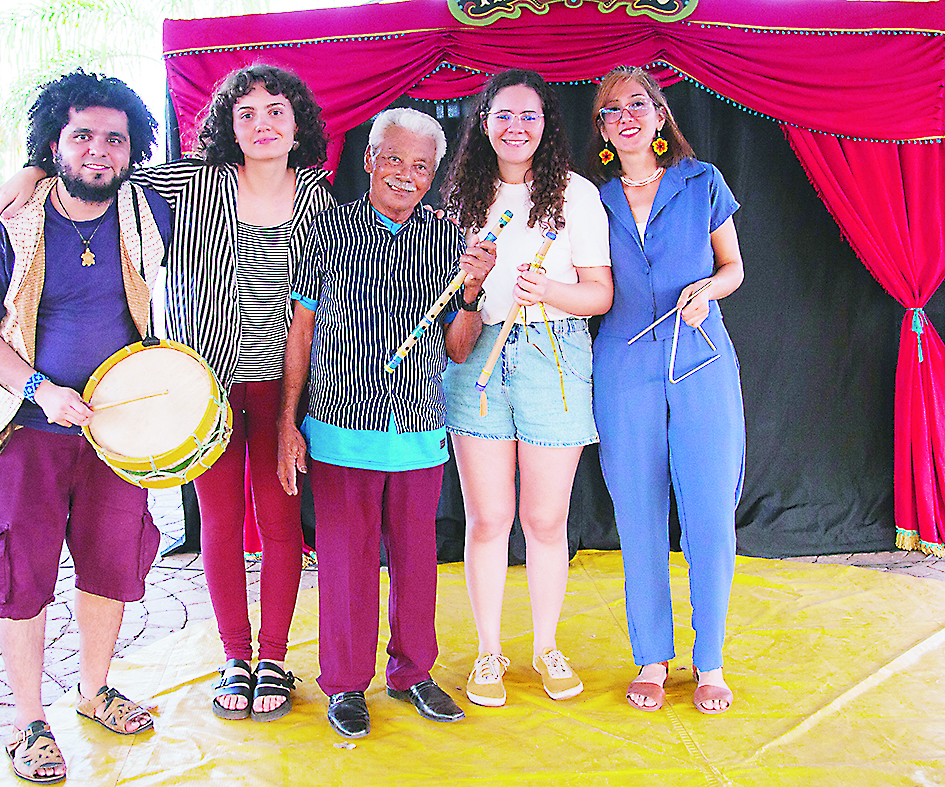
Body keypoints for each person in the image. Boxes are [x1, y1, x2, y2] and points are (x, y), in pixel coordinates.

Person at [0, 64, 334, 722]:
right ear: (227, 123)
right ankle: (234, 654)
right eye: (246, 112)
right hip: (200, 387)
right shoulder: (187, 181)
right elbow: (91, 173)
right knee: (222, 527)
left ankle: (273, 657)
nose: (261, 124)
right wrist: (27, 172)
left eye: (275, 111)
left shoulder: (318, 195)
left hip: (286, 384)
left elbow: (317, 302)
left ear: (297, 122)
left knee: (282, 526)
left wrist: (295, 408)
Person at [0, 70, 173, 783]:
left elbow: (214, 166)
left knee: (111, 562)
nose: (99, 151)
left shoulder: (146, 208)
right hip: (24, 430)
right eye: (82, 136)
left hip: (115, 431)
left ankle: (92, 688)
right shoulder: (6, 221)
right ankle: (27, 721)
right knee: (20, 574)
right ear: (55, 143)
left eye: (115, 138)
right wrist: (40, 391)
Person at [277, 108, 496, 739]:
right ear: (369, 160)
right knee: (346, 561)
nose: (406, 175)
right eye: (394, 159)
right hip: (339, 423)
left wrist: (474, 290)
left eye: (421, 165)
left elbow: (458, 348)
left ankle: (413, 672)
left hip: (419, 428)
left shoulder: (454, 237)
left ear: (435, 175)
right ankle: (346, 683)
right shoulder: (320, 219)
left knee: (416, 559)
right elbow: (300, 326)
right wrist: (288, 420)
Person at [440, 69, 612, 708]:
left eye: (529, 117)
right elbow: (450, 306)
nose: (516, 127)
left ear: (546, 125)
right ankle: (490, 651)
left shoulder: (574, 195)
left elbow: (600, 292)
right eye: (503, 115)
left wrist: (551, 292)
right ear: (483, 121)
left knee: (545, 518)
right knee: (488, 519)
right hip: (477, 357)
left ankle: (546, 647)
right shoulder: (459, 197)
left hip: (553, 355)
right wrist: (471, 283)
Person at [587, 66, 745, 714]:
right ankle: (652, 655)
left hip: (700, 360)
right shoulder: (590, 201)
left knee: (709, 512)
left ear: (658, 116)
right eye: (609, 111)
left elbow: (732, 267)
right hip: (622, 365)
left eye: (636, 104)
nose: (624, 116)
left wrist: (706, 290)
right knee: (639, 517)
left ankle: (708, 660)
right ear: (600, 129)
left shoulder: (701, 181)